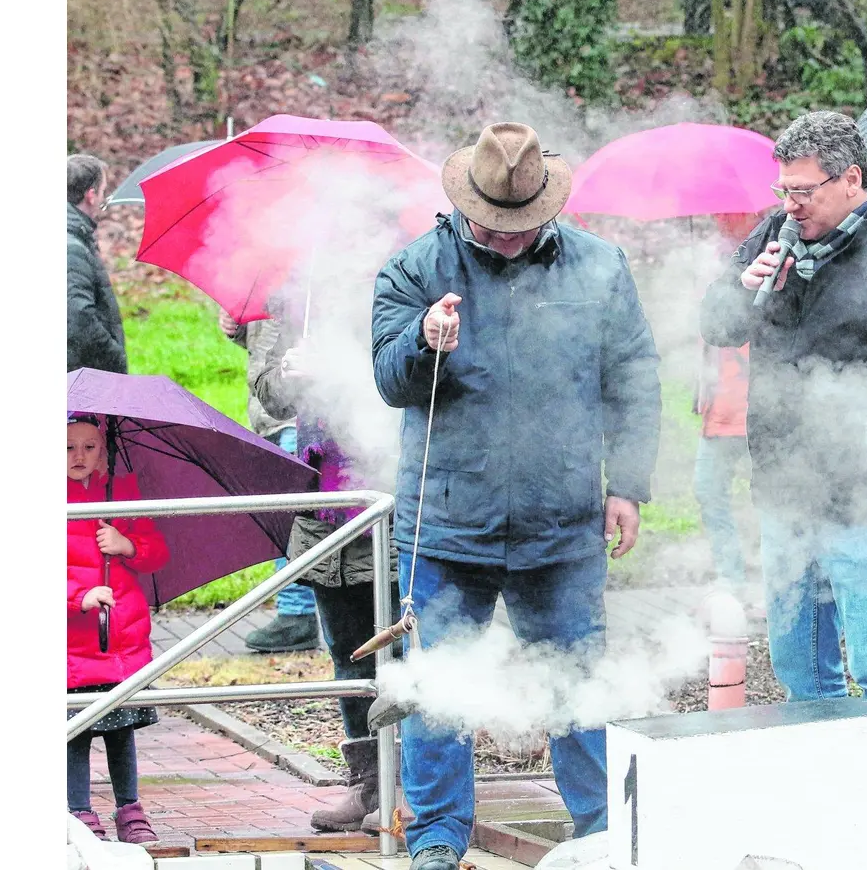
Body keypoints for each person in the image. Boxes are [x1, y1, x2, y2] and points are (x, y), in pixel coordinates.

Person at [371, 122, 661, 870]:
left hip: (561, 522)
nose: (504, 239)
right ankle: (436, 837)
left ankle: (602, 830)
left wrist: (627, 484)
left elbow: (632, 379)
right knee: (439, 690)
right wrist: (422, 341)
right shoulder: (414, 268)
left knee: (576, 681)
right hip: (445, 521)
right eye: (492, 227)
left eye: (519, 228)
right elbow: (389, 380)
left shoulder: (600, 265)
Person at [700, 111, 867, 799]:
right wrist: (741, 286)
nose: (791, 204)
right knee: (796, 659)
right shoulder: (775, 232)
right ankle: (828, 794)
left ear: (851, 179)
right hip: (786, 483)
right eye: (784, 189)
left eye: (804, 191)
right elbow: (717, 326)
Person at [252, 294, 402, 833]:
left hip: (384, 498)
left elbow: (407, 381)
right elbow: (268, 396)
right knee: (347, 655)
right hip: (321, 508)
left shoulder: (392, 289)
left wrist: (337, 373)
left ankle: (407, 785)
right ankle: (366, 785)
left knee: (398, 650)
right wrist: (293, 374)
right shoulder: (301, 300)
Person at [67, 414, 170, 844]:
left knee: (120, 732)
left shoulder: (121, 493)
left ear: (105, 451)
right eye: (67, 447)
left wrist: (127, 545)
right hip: (72, 645)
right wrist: (78, 597)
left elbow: (156, 552)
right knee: (74, 735)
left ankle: (129, 807)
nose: (78, 456)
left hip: (120, 641)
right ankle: (77, 809)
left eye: (90, 446)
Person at [221, 311, 322, 652]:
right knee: (283, 517)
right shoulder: (261, 279)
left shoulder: (300, 282)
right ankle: (297, 610)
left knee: (291, 519)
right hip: (267, 414)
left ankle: (298, 613)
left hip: (293, 419)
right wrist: (239, 330)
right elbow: (265, 348)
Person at [693, 212, 765, 593]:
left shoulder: (765, 253)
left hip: (752, 408)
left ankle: (773, 579)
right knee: (708, 490)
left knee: (773, 500)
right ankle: (732, 579)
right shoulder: (717, 264)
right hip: (719, 409)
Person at [68, 154, 128, 374]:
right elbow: (78, 318)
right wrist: (114, 356)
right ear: (91, 195)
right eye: (103, 191)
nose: (105, 199)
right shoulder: (71, 248)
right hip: (81, 383)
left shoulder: (76, 238)